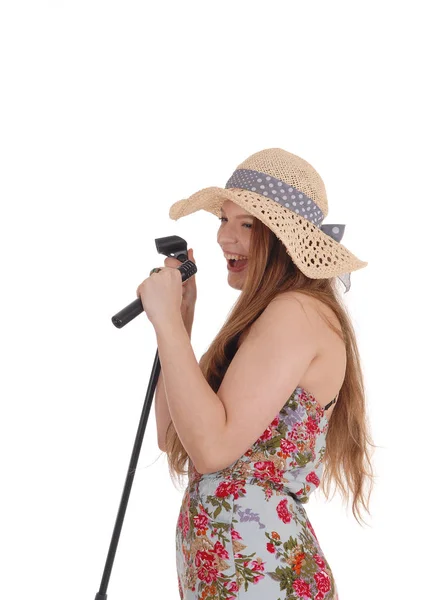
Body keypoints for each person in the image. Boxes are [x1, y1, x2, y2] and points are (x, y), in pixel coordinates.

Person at [158, 148, 375, 599]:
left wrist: (165, 325)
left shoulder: (296, 311)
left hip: (261, 576)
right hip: (229, 572)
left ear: (285, 237)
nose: (223, 237)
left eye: (248, 224)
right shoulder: (270, 315)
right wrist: (177, 322)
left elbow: (212, 450)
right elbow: (174, 435)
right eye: (223, 219)